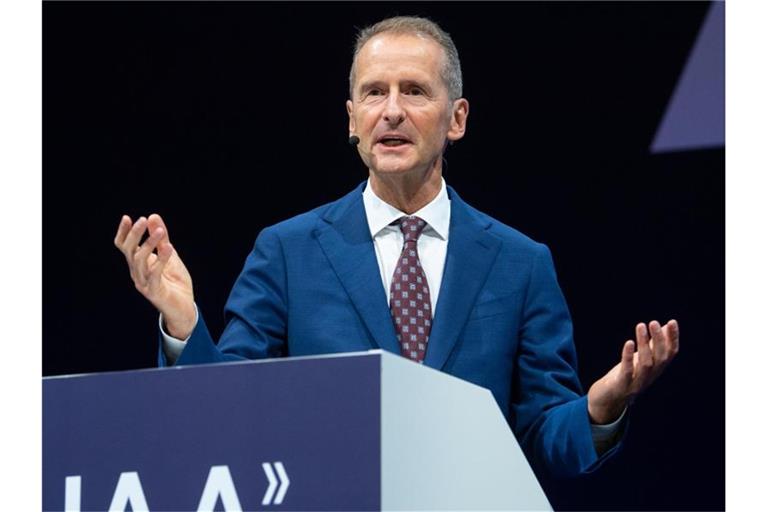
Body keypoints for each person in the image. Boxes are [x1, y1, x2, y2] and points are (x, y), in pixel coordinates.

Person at [113, 16, 678, 478]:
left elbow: (545, 434)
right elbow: (226, 414)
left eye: (414, 91)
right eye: (374, 93)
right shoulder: (287, 252)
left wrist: (603, 407)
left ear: (456, 119)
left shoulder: (520, 263)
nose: (391, 110)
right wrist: (185, 324)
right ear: (352, 120)